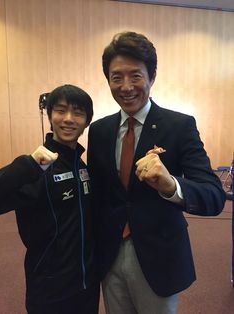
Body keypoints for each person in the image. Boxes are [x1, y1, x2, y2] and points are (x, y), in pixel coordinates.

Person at [87, 32, 226, 314]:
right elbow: (97, 195)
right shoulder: (99, 131)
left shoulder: (179, 126)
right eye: (116, 77)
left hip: (158, 257)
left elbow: (213, 195)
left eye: (135, 76)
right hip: (110, 255)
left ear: (152, 76)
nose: (126, 87)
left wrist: (170, 185)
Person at [0, 84, 100, 314]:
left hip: (87, 283)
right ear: (50, 114)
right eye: (61, 110)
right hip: (49, 286)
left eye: (78, 113)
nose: (68, 119)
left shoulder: (83, 166)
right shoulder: (35, 169)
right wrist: (27, 165)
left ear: (87, 121)